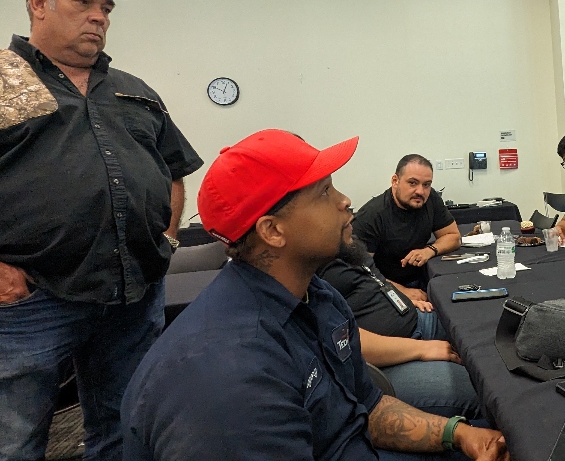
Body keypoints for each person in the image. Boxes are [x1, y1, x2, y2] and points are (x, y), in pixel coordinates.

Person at [122, 129, 509, 460]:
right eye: (325, 192)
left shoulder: (319, 297)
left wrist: (457, 434)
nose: (345, 201)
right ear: (273, 231)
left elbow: (366, 408)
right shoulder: (230, 376)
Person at [0, 0, 203, 461]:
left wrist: (167, 236)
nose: (98, 17)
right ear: (38, 2)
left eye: (106, 8)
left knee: (125, 427)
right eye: (83, 0)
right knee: (15, 439)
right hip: (33, 301)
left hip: (134, 294)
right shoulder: (4, 81)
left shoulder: (133, 91)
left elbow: (173, 172)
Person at [318, 240, 481, 419]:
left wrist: (402, 295)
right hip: (382, 363)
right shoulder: (308, 269)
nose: (348, 211)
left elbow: (372, 278)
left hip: (414, 321)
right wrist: (422, 349)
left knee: (477, 328)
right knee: (479, 387)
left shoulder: (343, 241)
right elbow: (343, 341)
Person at [353, 155, 461, 297]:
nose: (420, 191)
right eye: (412, 183)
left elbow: (453, 237)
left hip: (421, 279)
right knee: (431, 318)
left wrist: (429, 251)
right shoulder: (371, 216)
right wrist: (402, 292)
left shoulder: (430, 199)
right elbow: (359, 273)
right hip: (383, 288)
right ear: (395, 181)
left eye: (426, 184)